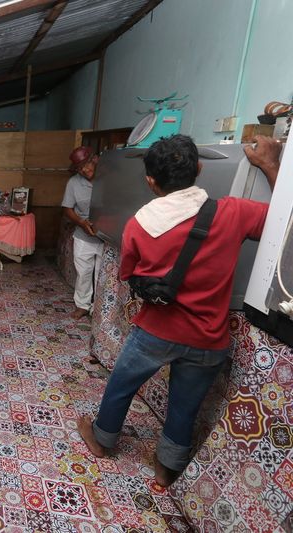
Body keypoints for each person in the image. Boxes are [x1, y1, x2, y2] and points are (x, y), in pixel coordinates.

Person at [78, 134, 278, 488]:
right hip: (209, 336)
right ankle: (167, 467)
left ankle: (103, 438)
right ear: (199, 169)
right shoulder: (233, 212)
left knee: (122, 384)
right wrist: (271, 165)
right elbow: (282, 219)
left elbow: (129, 274)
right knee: (184, 406)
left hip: (155, 332)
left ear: (150, 181)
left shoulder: (140, 225)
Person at [62, 145, 103, 319]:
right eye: (80, 168)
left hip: (107, 239)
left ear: (95, 159)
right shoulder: (74, 183)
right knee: (84, 273)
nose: (85, 170)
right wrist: (81, 222)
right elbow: (68, 208)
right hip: (83, 236)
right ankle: (82, 305)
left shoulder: (110, 178)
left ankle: (100, 309)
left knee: (102, 275)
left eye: (86, 164)